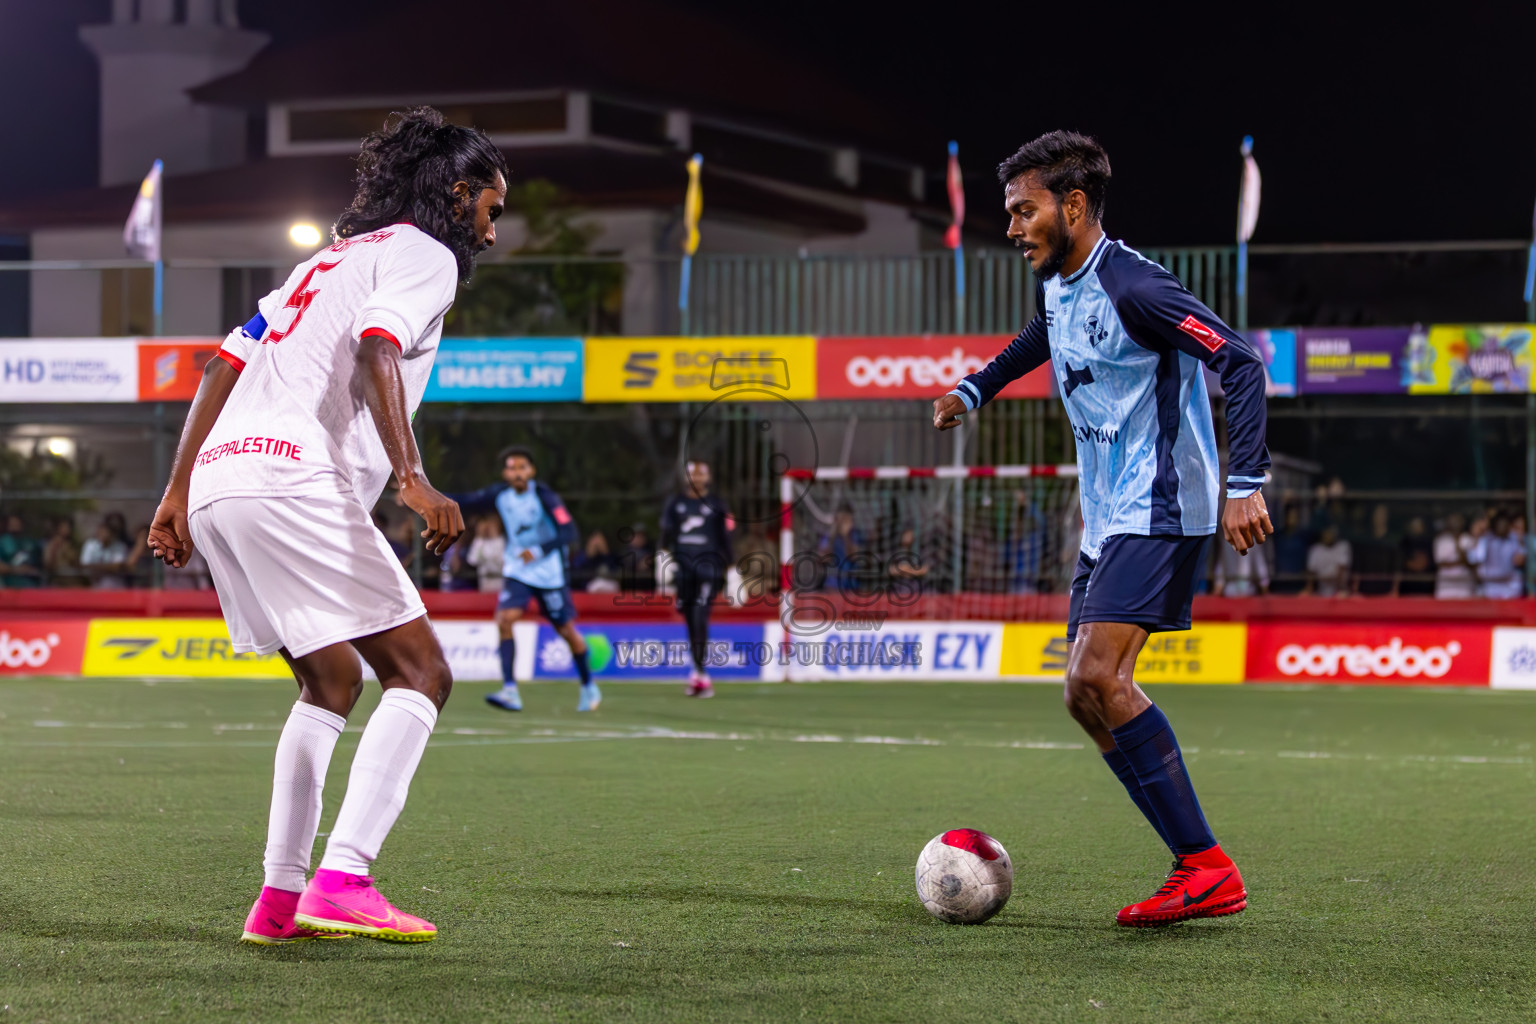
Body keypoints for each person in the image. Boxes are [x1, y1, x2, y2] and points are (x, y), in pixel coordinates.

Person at [147, 106, 507, 946]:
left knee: (330, 683)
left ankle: (278, 902)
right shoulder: (427, 256)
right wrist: (415, 482)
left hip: (222, 481)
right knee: (421, 675)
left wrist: (174, 493)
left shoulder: (331, 256)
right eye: (490, 211)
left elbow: (223, 362)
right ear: (456, 196)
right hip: (288, 477)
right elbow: (380, 348)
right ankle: (345, 876)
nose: (491, 234)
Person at [932, 131, 1269, 927]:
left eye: (1025, 211)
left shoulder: (1134, 286)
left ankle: (1205, 866)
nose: (1013, 228)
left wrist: (1245, 484)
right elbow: (1044, 338)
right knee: (1084, 695)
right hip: (1107, 514)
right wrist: (975, 389)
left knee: (1095, 678)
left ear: (1073, 206)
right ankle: (1197, 866)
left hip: (1159, 505)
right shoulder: (1059, 282)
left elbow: (1242, 362)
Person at [448, 447, 595, 713]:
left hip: (549, 574)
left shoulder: (545, 496)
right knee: (505, 619)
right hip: (518, 571)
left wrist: (538, 550)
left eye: (522, 468)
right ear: (505, 473)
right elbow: (466, 500)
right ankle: (510, 691)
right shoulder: (499, 495)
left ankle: (588, 685)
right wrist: (422, 494)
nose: (517, 473)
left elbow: (568, 531)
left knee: (565, 631)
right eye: (512, 468)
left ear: (532, 471)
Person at [660, 460, 734, 698]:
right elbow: (666, 534)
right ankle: (698, 671)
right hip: (683, 570)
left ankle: (701, 673)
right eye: (694, 473)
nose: (698, 478)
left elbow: (726, 539)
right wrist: (662, 558)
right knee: (690, 616)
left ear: (708, 478)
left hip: (708, 570)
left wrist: (733, 570)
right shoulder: (676, 504)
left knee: (701, 614)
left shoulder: (716, 505)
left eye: (702, 473)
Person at [1468, 511, 1525, 598]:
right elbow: (1474, 559)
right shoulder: (1486, 539)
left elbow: (1519, 560)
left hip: (1509, 585)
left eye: (1505, 524)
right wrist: (1477, 537)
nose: (1502, 527)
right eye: (1500, 524)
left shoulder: (1514, 538)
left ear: (1509, 526)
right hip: (1490, 586)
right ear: (1494, 526)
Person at [1352, 503, 1397, 596]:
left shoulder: (1392, 541)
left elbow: (1396, 567)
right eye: (1377, 514)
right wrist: (1355, 589)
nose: (1379, 517)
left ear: (1387, 517)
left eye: (1382, 514)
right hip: (1365, 590)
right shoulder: (1364, 540)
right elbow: (1358, 565)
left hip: (1386, 590)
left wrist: (1395, 590)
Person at [80, 515, 131, 590]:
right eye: (101, 531)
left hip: (115, 587)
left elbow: (117, 567)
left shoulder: (120, 546)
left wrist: (95, 567)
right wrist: (108, 567)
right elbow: (84, 565)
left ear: (112, 533)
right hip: (94, 586)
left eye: (106, 531)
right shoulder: (90, 545)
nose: (103, 534)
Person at [1434, 513, 1475, 599]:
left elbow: (1471, 563)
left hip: (1464, 585)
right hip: (1446, 586)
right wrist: (1460, 562)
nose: (1455, 524)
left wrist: (1457, 543)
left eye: (1458, 521)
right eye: (1453, 521)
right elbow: (1441, 563)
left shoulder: (1467, 539)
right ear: (1448, 523)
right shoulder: (1441, 540)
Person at [1306, 524, 1352, 597]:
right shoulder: (1315, 549)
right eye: (1326, 533)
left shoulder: (1343, 546)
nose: (1328, 536)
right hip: (1321, 591)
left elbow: (1341, 571)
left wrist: (1339, 588)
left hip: (1340, 590)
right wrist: (1309, 589)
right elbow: (1311, 573)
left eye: (1330, 533)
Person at [0, 513, 44, 588]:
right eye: (12, 522)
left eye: (17, 522)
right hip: (11, 586)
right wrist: (16, 570)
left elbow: (40, 563)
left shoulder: (31, 542)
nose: (15, 524)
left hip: (33, 586)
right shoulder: (3, 542)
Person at [465, 515, 506, 594]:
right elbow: (472, 560)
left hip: (499, 582)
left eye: (492, 525)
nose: (489, 528)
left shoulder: (501, 541)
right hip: (484, 583)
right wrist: (479, 536)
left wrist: (495, 536)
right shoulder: (481, 541)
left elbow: (502, 561)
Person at [1396, 516, 1436, 596]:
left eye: (1418, 526)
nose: (1416, 528)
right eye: (1414, 526)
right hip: (1407, 586)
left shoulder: (1429, 543)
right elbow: (1400, 563)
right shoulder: (1404, 543)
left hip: (1425, 586)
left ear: (1423, 527)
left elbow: (1432, 564)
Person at [42, 517, 83, 587]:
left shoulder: (71, 545)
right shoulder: (51, 544)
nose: (65, 529)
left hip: (71, 578)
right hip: (56, 579)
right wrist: (55, 550)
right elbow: (48, 565)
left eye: (68, 527)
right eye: (63, 527)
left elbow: (77, 564)